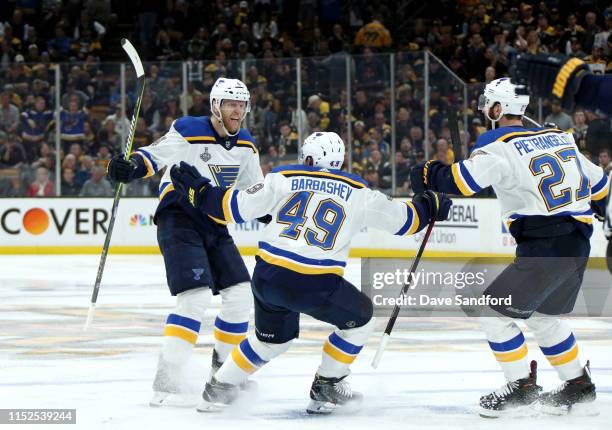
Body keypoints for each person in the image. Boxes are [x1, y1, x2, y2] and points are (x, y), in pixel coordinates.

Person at [169, 131, 451, 414]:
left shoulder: (281, 177)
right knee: (361, 320)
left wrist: (202, 192)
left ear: (309, 158)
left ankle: (219, 389)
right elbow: (406, 222)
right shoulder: (358, 191)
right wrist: (429, 204)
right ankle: (326, 385)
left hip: (268, 277)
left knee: (271, 340)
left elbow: (233, 207)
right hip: (315, 282)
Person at [410, 78, 609, 417]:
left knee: (493, 312)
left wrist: (429, 172)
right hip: (577, 243)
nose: (484, 108)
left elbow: (459, 183)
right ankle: (578, 384)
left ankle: (520, 386)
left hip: (545, 245)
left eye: (488, 103)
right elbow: (602, 187)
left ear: (498, 108)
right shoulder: (562, 139)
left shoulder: (496, 145)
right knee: (546, 318)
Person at [106, 78, 263, 407]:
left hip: (215, 223)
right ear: (215, 106)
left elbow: (256, 194)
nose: (237, 110)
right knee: (195, 297)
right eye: (230, 103)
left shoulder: (247, 145)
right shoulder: (189, 129)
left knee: (239, 296)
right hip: (178, 216)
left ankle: (222, 375)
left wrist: (274, 210)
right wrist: (128, 167)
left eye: (241, 104)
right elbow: (152, 156)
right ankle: (168, 378)